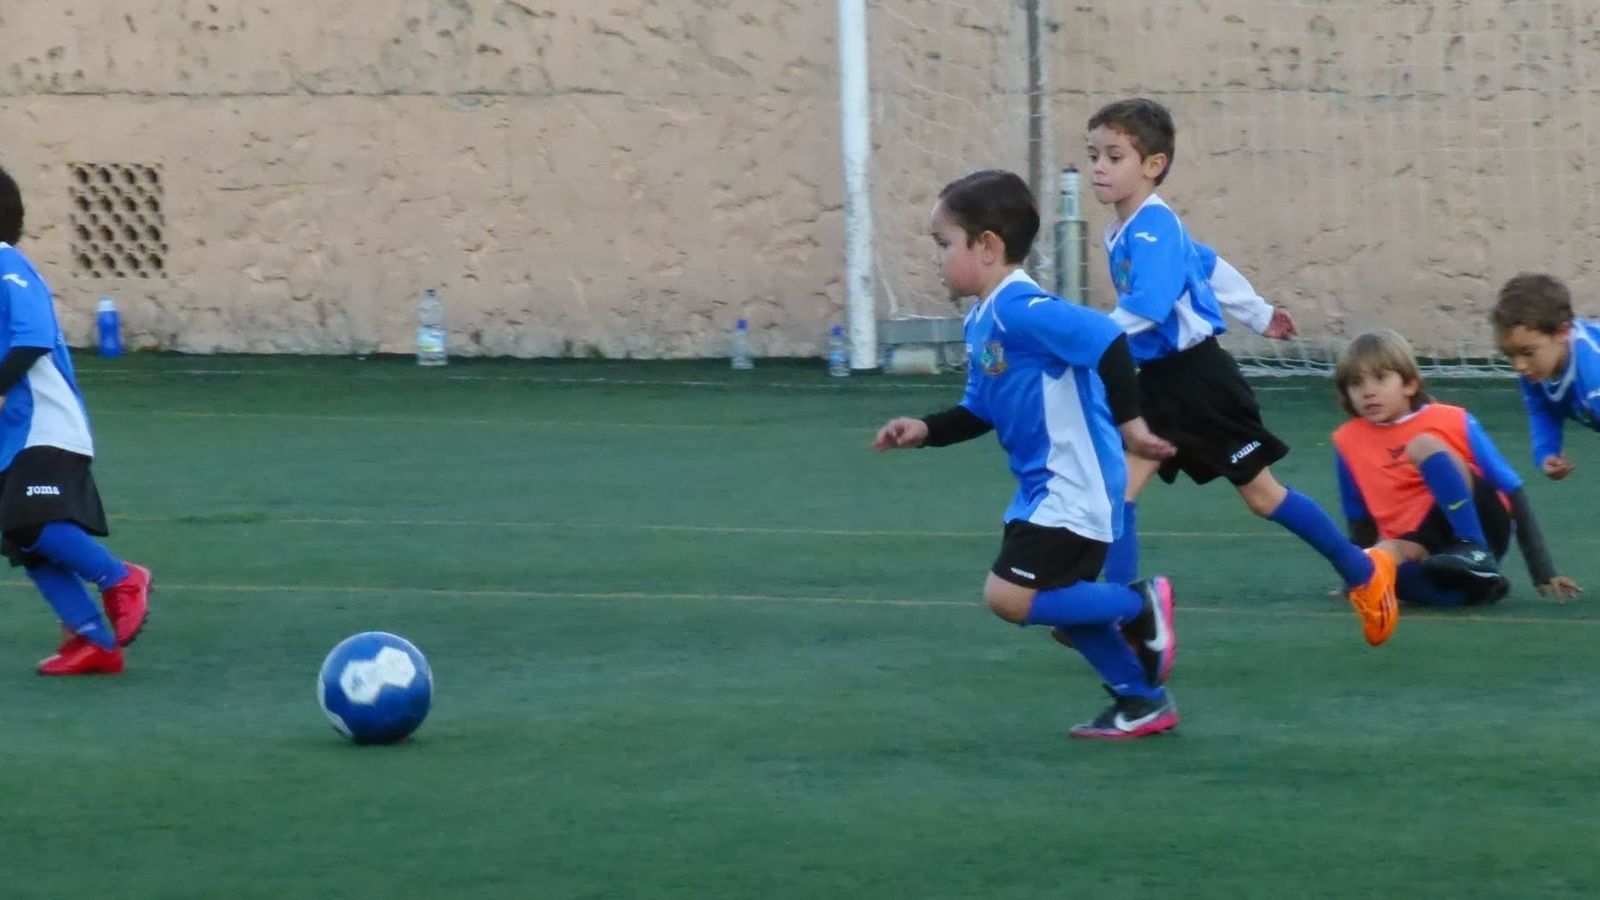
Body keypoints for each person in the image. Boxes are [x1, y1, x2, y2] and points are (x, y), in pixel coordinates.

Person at [873, 169, 1179, 739]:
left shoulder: (1022, 308)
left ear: (987, 246)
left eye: (945, 244)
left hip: (1072, 487)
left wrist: (1131, 423)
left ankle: (1137, 605)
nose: (938, 258)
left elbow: (1107, 340)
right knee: (1063, 608)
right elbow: (980, 409)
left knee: (1010, 597)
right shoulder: (984, 320)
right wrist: (925, 429)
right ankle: (1142, 701)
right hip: (1043, 491)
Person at [1084, 97, 1399, 645]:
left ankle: (1365, 573)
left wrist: (1087, 341)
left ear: (1153, 165)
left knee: (1263, 496)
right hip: (1158, 381)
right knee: (1118, 490)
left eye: (1114, 156)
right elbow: (1207, 263)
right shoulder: (1126, 230)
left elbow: (1151, 306)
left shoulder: (1154, 228)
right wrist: (1259, 311)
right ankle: (1122, 611)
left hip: (1199, 383)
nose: (1099, 167)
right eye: (1094, 155)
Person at [0, 164, 152, 675]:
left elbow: (34, 336)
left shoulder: (5, 264)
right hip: (13, 438)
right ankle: (93, 642)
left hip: (46, 426)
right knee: (21, 538)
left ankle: (121, 578)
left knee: (31, 520)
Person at [1332, 329, 1579, 607]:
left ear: (1410, 384)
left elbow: (1511, 488)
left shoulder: (1453, 420)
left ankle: (1473, 550)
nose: (1368, 392)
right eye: (1356, 383)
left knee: (1424, 445)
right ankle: (1475, 589)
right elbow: (1359, 518)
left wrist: (1542, 570)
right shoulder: (1347, 441)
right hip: (1419, 544)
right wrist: (1356, 575)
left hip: (1482, 526)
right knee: (1379, 569)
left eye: (1380, 378)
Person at [1491, 272, 1600, 481]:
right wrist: (1547, 451)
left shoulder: (1594, 377)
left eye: (1528, 352)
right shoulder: (1537, 372)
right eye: (1510, 355)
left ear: (1562, 333)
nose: (1520, 365)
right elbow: (1543, 409)